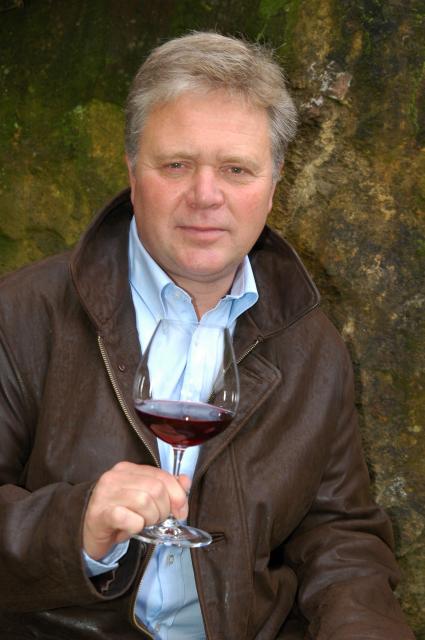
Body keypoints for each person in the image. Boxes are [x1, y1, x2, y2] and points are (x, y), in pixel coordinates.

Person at [0, 32, 414, 640]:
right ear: (131, 171)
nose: (205, 196)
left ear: (274, 183)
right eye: (176, 165)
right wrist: (74, 529)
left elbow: (339, 535)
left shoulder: (311, 342)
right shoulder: (20, 313)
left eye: (236, 169)